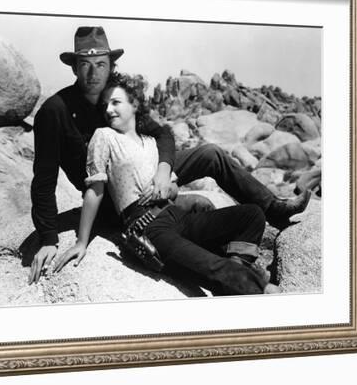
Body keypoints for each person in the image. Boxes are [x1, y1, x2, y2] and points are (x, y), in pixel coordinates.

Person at [29, 26, 310, 284]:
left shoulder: (116, 96)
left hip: (147, 174)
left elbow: (162, 133)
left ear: (111, 65)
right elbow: (43, 181)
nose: (93, 74)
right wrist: (48, 239)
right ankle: (236, 264)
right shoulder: (55, 111)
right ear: (75, 68)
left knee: (210, 153)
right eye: (85, 65)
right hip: (115, 200)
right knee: (199, 205)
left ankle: (274, 210)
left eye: (100, 64)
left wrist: (164, 172)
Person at [53, 73, 281, 295]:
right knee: (216, 267)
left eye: (115, 102)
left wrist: (164, 189)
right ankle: (255, 287)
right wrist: (81, 241)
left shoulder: (152, 143)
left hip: (175, 214)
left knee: (252, 215)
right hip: (147, 227)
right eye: (104, 105)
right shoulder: (103, 136)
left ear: (134, 104)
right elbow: (95, 190)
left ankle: (240, 271)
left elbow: (173, 189)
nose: (108, 109)